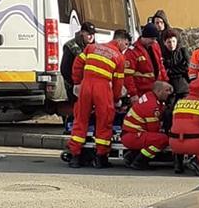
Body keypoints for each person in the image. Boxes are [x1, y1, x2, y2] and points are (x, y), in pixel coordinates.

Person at [64, 30, 130, 169]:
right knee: (104, 121)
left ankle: (75, 156)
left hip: (86, 85)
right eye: (126, 44)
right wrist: (116, 99)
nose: (126, 48)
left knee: (80, 119)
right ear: (120, 41)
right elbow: (118, 83)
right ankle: (101, 158)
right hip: (103, 88)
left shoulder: (92, 47)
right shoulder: (118, 57)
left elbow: (77, 64)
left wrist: (77, 82)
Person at [121, 81, 174, 170]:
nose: (169, 93)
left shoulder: (150, 96)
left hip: (131, 133)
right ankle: (140, 162)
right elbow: (153, 129)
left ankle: (133, 155)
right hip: (132, 135)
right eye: (167, 90)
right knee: (162, 139)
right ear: (158, 91)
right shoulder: (152, 106)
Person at [60, 22, 96, 133]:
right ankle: (72, 128)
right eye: (88, 34)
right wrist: (74, 84)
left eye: (93, 34)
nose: (91, 37)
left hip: (90, 85)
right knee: (77, 109)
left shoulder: (95, 47)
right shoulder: (71, 46)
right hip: (74, 86)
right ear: (82, 33)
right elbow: (65, 69)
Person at [124, 23, 169, 103]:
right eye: (152, 39)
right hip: (142, 91)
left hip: (157, 89)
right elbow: (128, 76)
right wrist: (133, 94)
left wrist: (165, 81)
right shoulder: (132, 52)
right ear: (144, 37)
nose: (153, 41)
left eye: (155, 39)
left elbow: (160, 65)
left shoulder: (155, 46)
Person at [162, 29, 190, 100]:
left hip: (184, 85)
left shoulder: (183, 51)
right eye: (169, 42)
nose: (171, 44)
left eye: (173, 41)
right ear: (164, 42)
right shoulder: (162, 54)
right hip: (169, 86)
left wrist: (170, 70)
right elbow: (163, 69)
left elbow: (187, 67)